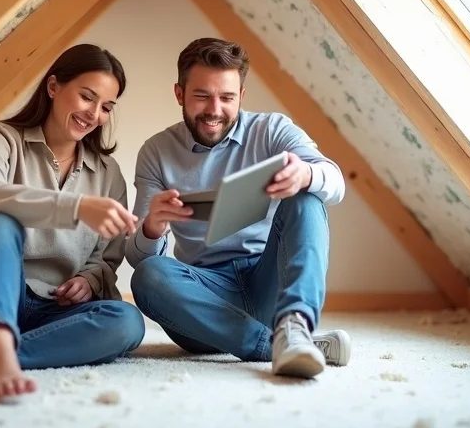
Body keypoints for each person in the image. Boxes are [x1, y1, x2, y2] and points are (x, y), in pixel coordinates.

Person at [0, 43, 145, 402]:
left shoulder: (108, 173)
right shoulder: (0, 137)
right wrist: (76, 207)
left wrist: (89, 279)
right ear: (53, 86)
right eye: (87, 97)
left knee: (128, 322)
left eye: (106, 107)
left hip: (52, 313)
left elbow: (105, 257)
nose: (95, 114)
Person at [127, 37, 352, 379]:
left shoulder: (273, 129)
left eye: (227, 98)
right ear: (179, 94)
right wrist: (152, 228)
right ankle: (280, 344)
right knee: (149, 275)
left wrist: (306, 174)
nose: (215, 110)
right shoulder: (156, 152)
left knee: (308, 194)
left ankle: (296, 325)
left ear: (242, 96)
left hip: (269, 281)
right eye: (202, 96)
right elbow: (138, 258)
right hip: (204, 300)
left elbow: (335, 183)